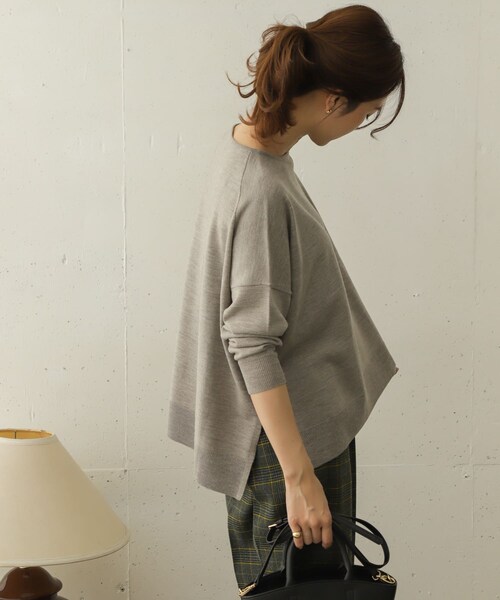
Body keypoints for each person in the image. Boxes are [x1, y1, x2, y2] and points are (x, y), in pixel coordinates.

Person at [166, 4, 405, 595]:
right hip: (284, 450)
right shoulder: (261, 190)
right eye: (367, 113)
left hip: (292, 439)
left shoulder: (252, 156)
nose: (361, 125)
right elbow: (250, 341)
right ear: (333, 99)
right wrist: (299, 479)